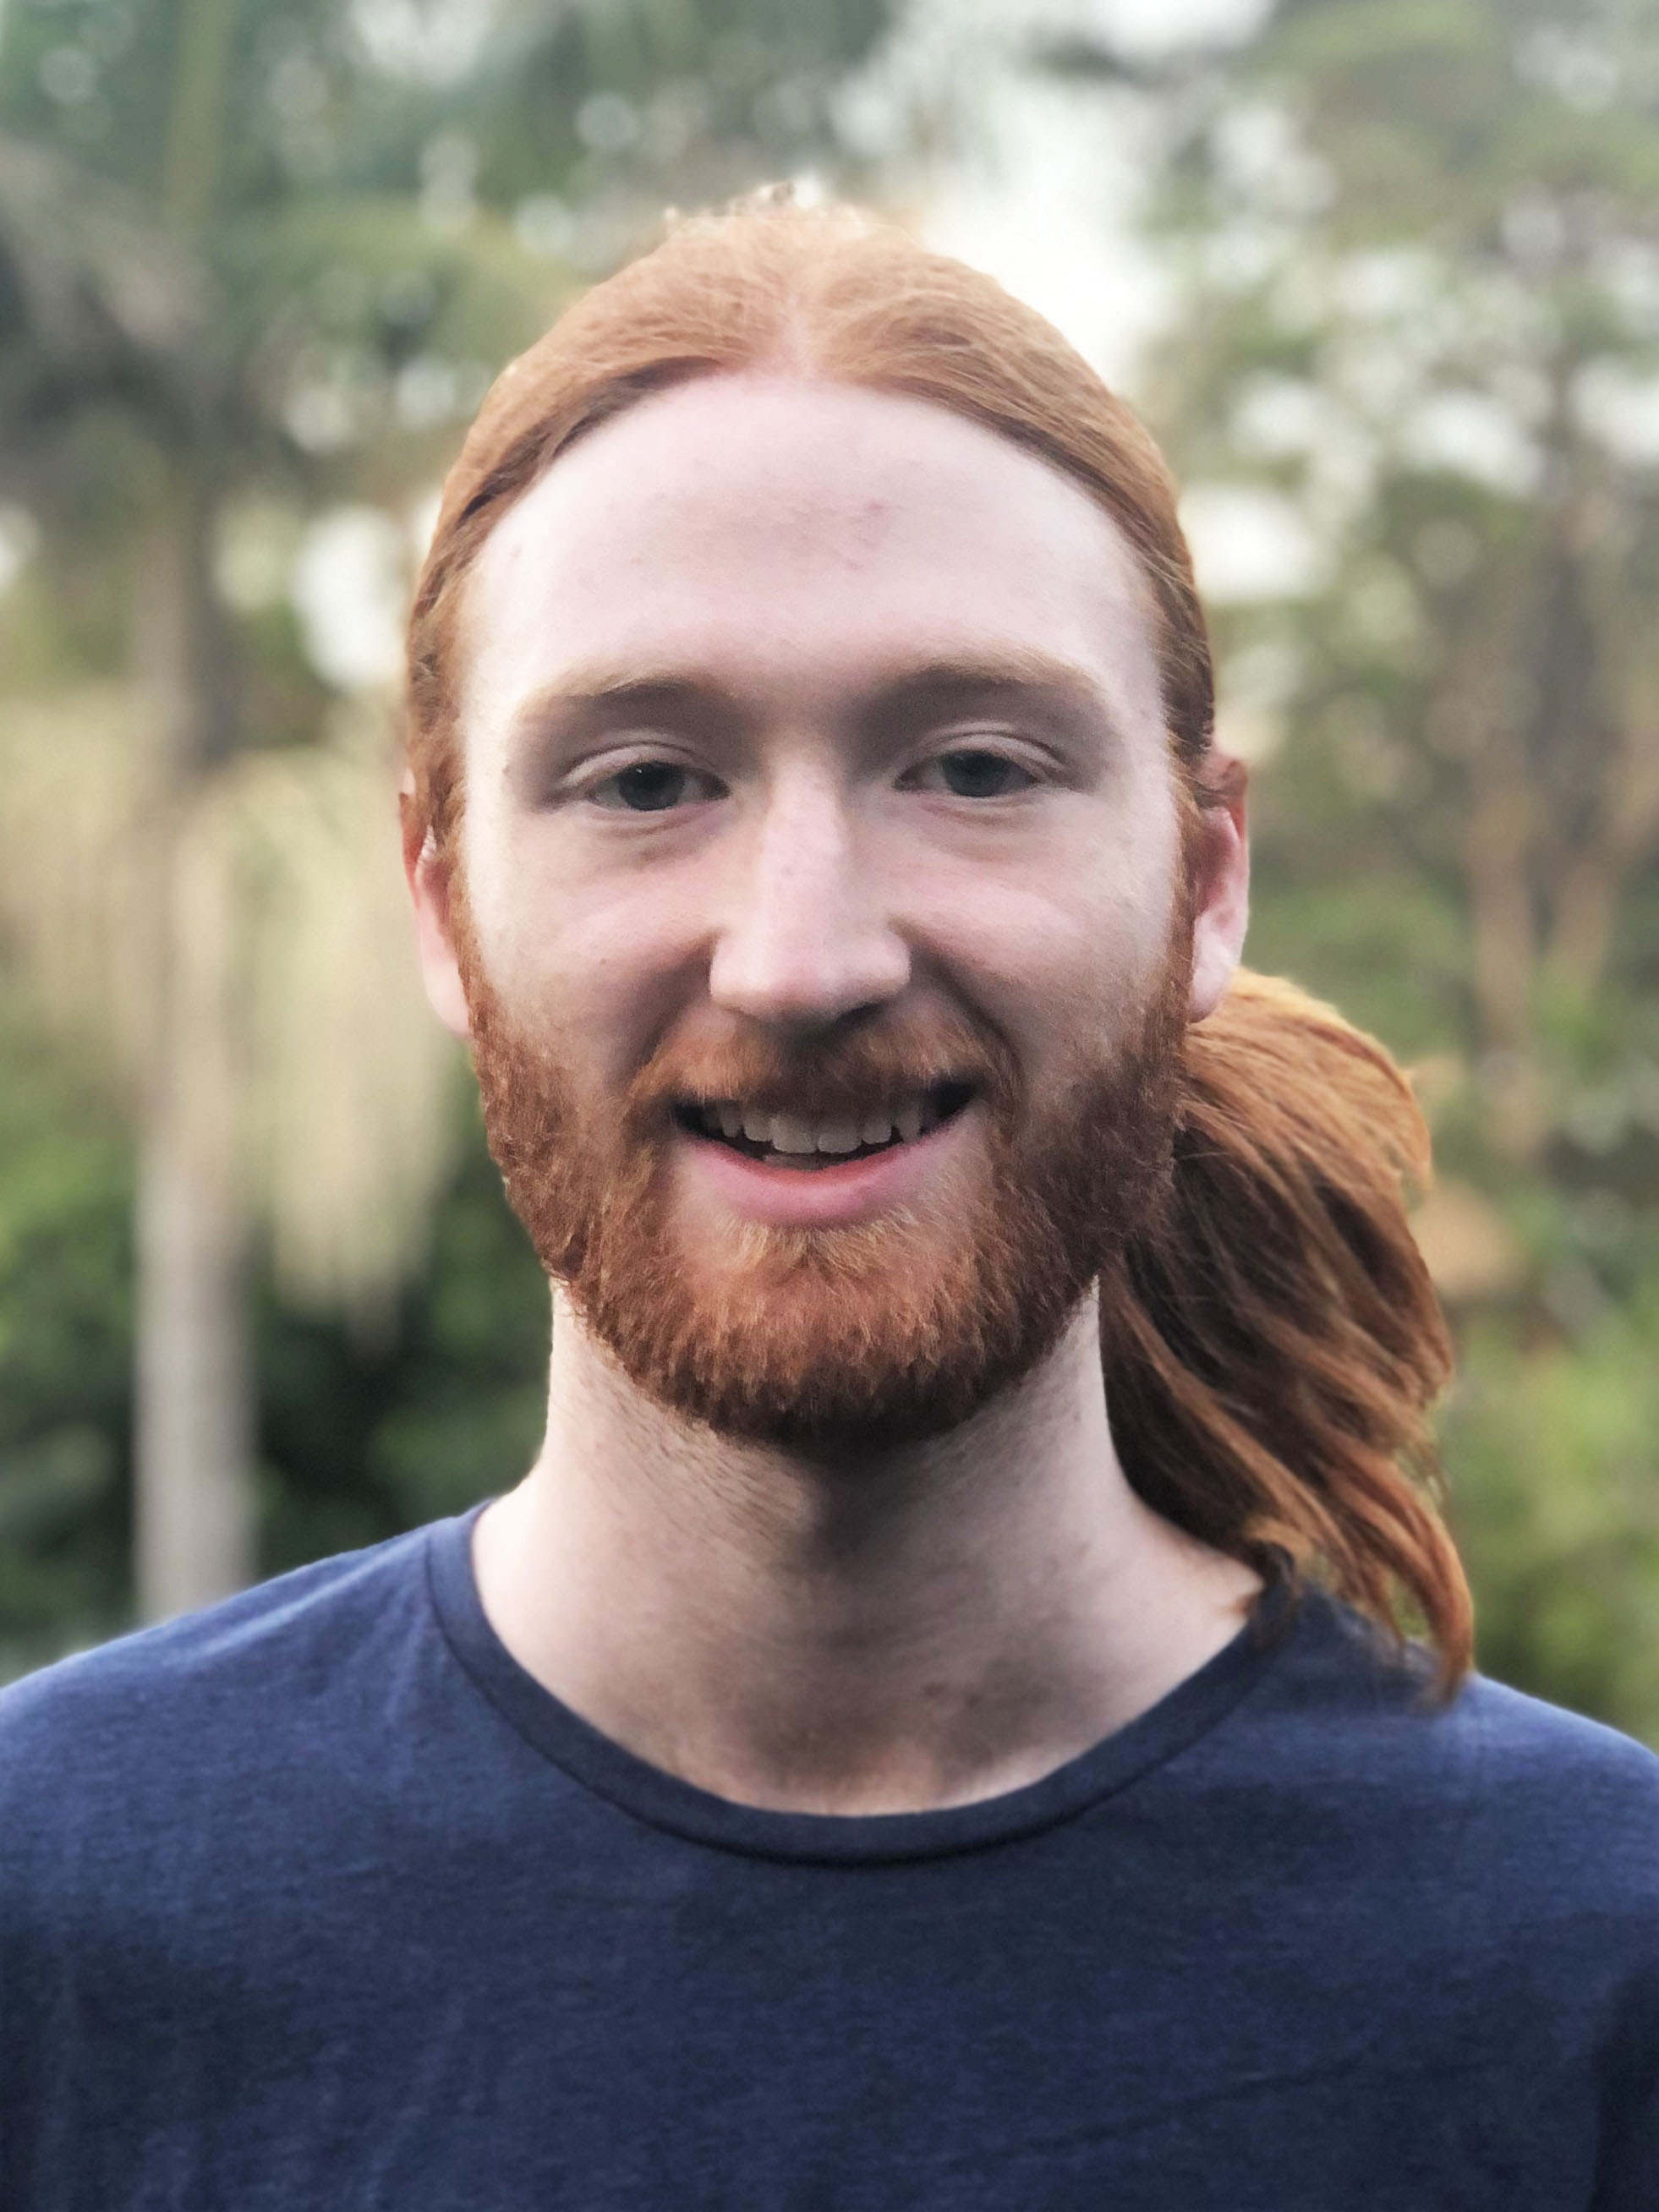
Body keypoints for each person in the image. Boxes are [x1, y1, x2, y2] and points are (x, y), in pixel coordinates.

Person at [2, 200, 1655, 2211]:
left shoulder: (1595, 1966)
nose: (801, 960)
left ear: (1206, 879)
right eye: (642, 781)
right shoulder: (59, 1922)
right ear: (442, 901)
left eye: (970, 765)